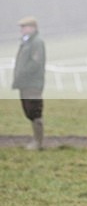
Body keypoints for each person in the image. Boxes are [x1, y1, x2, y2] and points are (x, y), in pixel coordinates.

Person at [12, 16, 46, 150]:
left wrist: (23, 73)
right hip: (24, 83)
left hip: (32, 83)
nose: (22, 30)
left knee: (35, 110)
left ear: (32, 28)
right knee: (28, 111)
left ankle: (38, 142)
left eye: (24, 27)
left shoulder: (37, 42)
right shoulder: (26, 42)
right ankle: (36, 140)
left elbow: (36, 63)